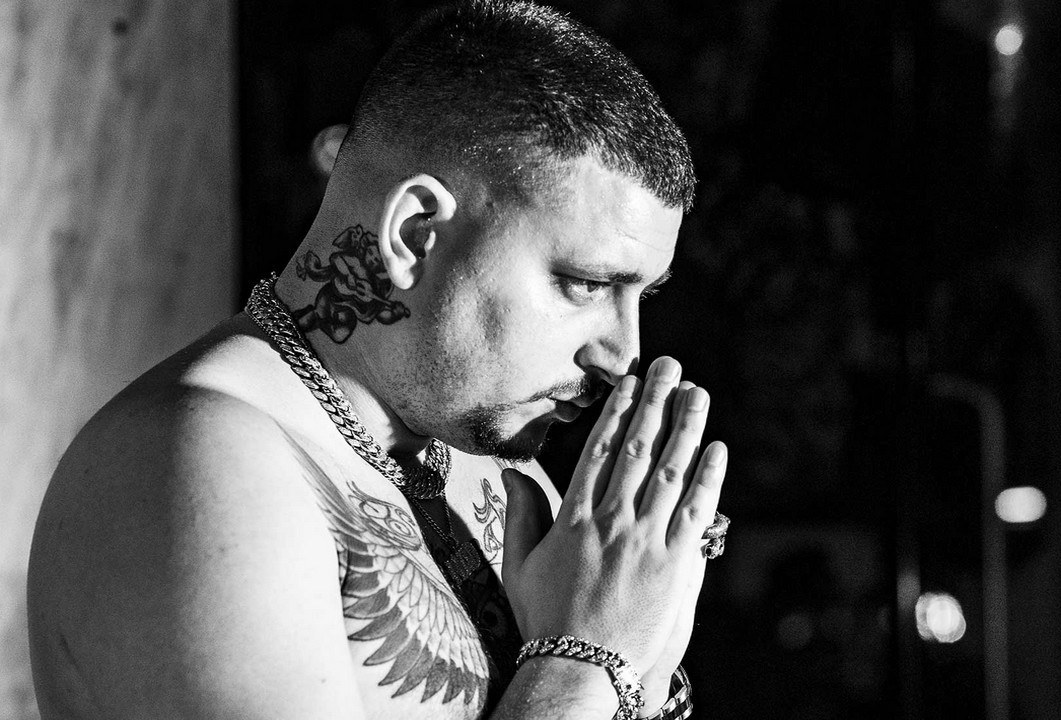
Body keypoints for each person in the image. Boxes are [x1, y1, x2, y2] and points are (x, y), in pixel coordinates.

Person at [26, 1, 729, 718]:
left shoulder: (488, 463)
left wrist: (647, 666)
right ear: (415, 232)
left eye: (642, 295)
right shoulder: (198, 462)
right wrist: (584, 662)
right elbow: (584, 672)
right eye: (585, 283)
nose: (623, 353)